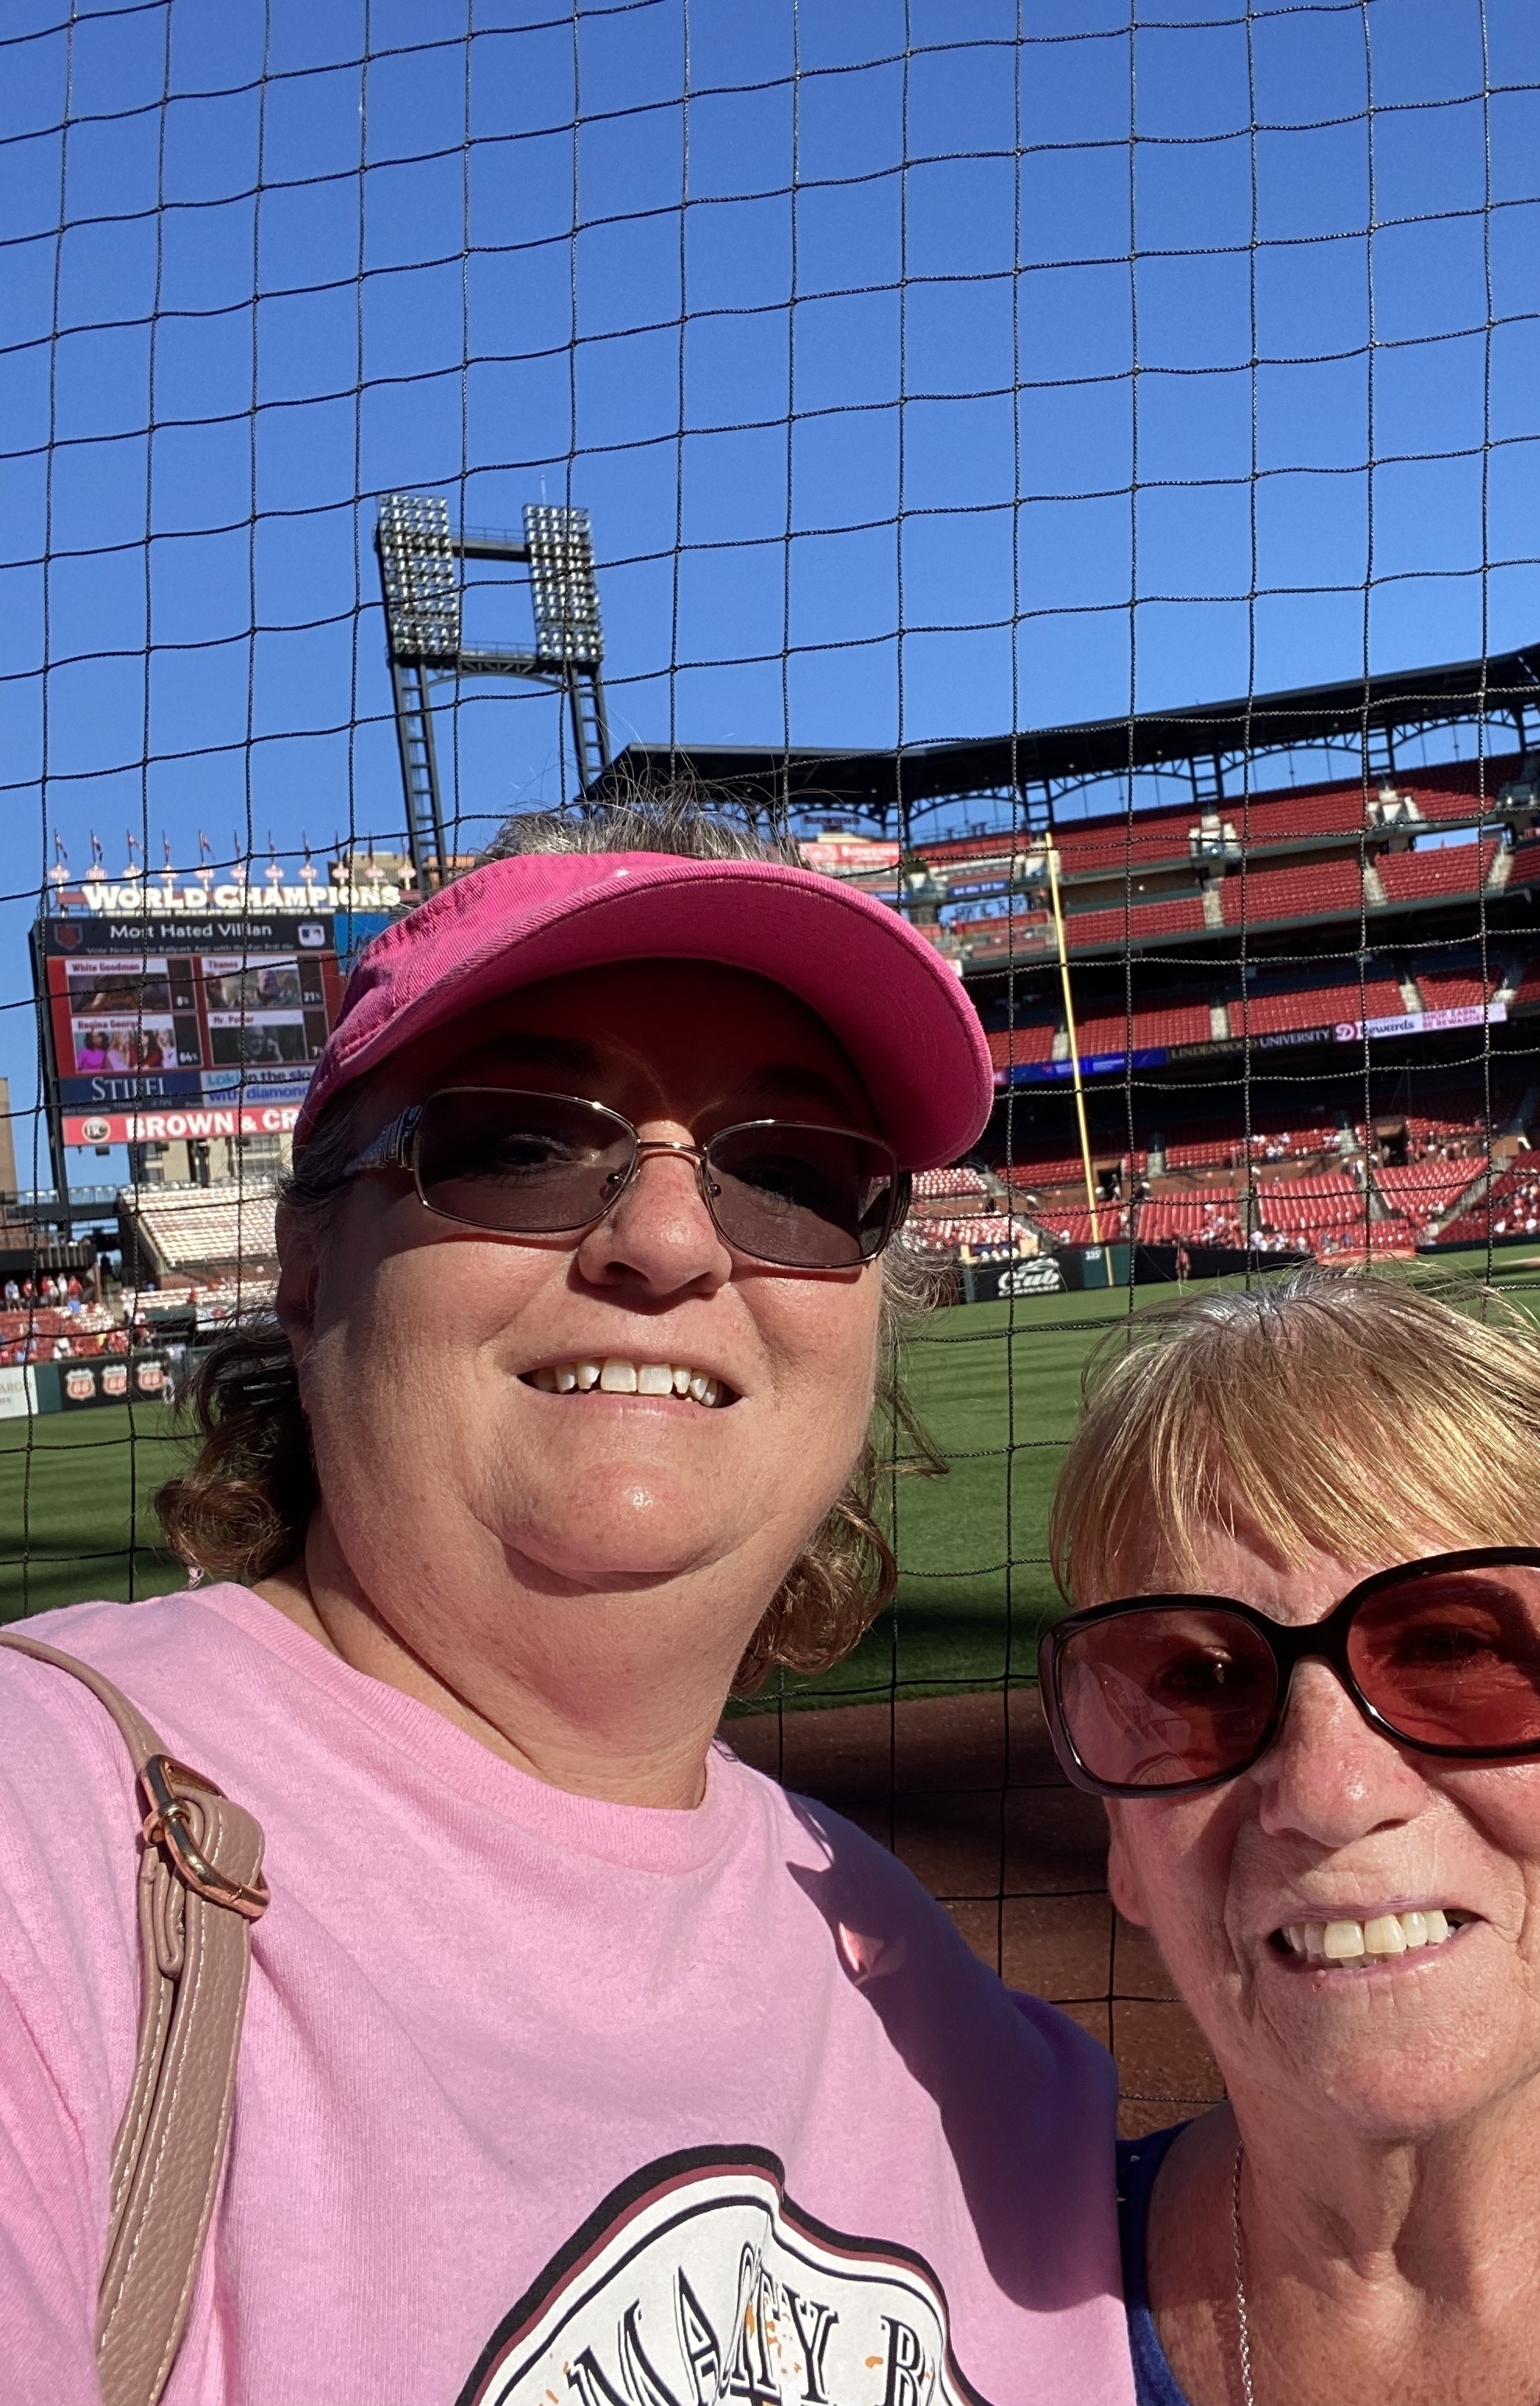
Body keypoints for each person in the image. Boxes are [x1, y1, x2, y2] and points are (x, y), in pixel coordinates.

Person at [0, 797, 1135, 2406]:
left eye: (793, 1174)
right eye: (522, 1144)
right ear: (308, 1269)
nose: (666, 1239)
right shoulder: (47, 1836)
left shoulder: (944, 2025)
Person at [1036, 1271, 1540, 2406]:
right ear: (1120, 1830)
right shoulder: (963, 2313)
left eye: (1452, 1650)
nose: (1329, 1791)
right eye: (1202, 1680)